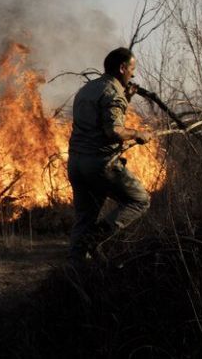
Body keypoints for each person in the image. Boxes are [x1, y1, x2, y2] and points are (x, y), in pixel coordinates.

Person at [67, 47, 153, 266]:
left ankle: (74, 273)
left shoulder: (86, 89)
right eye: (131, 69)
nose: (133, 74)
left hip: (76, 164)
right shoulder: (112, 92)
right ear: (122, 68)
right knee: (140, 200)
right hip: (100, 164)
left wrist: (126, 99)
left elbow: (100, 118)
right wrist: (138, 134)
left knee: (84, 219)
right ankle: (94, 239)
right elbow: (113, 130)